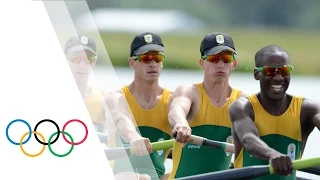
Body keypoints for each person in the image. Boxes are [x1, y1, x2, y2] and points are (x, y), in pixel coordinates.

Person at [229, 45, 320, 180]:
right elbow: (249, 139)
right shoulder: (243, 107)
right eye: (270, 71)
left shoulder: (307, 109)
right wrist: (272, 155)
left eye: (284, 70)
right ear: (256, 74)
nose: (278, 78)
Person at [167, 32, 246, 179]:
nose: (221, 64)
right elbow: (177, 108)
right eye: (214, 59)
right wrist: (181, 124)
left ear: (234, 64)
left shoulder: (242, 100)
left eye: (226, 58)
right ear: (202, 63)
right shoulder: (190, 92)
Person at [105, 32, 173, 180]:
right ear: (132, 63)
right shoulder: (117, 97)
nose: (152, 63)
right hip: (121, 175)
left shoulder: (172, 101)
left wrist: (182, 126)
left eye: (157, 58)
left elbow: (180, 115)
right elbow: (122, 119)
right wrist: (134, 137)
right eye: (146, 58)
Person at [64, 35, 107, 134]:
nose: (82, 66)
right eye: (75, 59)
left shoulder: (105, 100)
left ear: (94, 63)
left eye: (88, 59)